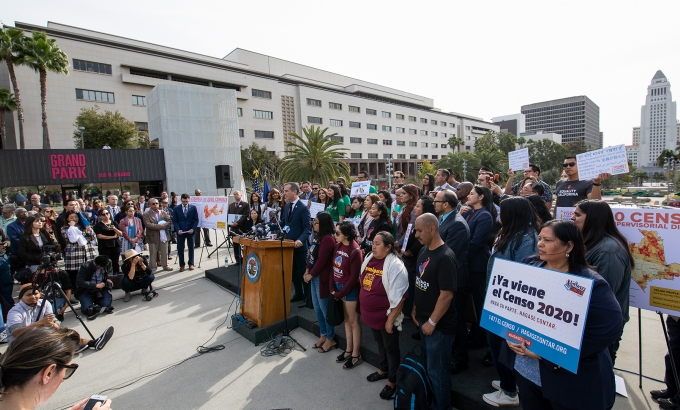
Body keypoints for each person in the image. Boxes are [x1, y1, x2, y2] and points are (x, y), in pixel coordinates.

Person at [499, 220, 623, 410]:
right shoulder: (529, 265)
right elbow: (512, 308)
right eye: (540, 238)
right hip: (526, 373)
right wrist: (509, 333)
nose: (539, 244)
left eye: (547, 240)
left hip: (569, 383)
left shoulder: (590, 284)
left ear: (569, 245)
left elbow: (608, 330)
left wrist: (548, 355)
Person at [482, 196, 538, 407]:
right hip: (496, 299)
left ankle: (509, 392)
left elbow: (524, 275)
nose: (498, 215)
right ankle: (508, 381)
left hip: (509, 305)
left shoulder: (526, 239)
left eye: (502, 212)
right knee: (496, 343)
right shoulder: (508, 233)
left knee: (501, 344)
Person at [571, 199, 633, 365]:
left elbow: (603, 295)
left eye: (577, 214)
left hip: (599, 327)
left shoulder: (608, 251)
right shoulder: (591, 242)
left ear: (593, 218)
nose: (572, 217)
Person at [412, 213, 458, 410]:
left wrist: (432, 322)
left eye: (419, 230)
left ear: (432, 229)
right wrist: (415, 307)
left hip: (438, 327)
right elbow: (421, 282)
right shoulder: (424, 251)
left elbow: (446, 295)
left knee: (437, 373)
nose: (415, 234)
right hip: (423, 321)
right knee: (428, 369)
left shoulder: (446, 257)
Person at [359, 232, 408, 400]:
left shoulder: (395, 265)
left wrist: (390, 320)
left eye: (378, 244)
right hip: (371, 314)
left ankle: (392, 382)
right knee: (380, 343)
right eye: (373, 242)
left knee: (391, 348)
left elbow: (401, 297)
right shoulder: (369, 258)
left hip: (386, 317)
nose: (373, 246)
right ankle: (383, 369)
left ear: (388, 247)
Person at [433, 190, 470, 372]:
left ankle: (460, 358)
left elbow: (449, 253)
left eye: (437, 201)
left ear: (446, 204)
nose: (434, 203)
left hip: (455, 278)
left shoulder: (457, 224)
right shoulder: (444, 219)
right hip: (445, 276)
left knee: (457, 319)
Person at [464, 185, 496, 349]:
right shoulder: (470, 212)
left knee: (478, 301)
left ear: (481, 197)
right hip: (470, 262)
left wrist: (463, 258)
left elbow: (476, 242)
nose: (468, 196)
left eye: (471, 194)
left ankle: (480, 337)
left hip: (477, 263)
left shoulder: (485, 216)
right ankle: (474, 333)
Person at [331, 221, 364, 369]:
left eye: (337, 233)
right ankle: (348, 349)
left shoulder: (355, 250)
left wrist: (341, 293)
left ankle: (356, 354)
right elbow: (333, 266)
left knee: (353, 321)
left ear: (346, 234)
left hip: (349, 289)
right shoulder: (338, 245)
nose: (335, 235)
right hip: (339, 288)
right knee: (346, 320)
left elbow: (354, 278)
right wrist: (333, 288)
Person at [302, 212, 337, 353]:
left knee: (324, 309)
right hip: (313, 275)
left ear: (323, 224)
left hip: (321, 278)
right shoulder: (318, 237)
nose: (313, 224)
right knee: (317, 308)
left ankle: (330, 337)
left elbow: (322, 261)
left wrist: (310, 275)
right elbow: (311, 255)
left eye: (316, 222)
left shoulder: (328, 239)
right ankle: (323, 334)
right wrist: (306, 270)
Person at [281, 183, 312, 305]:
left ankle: (308, 298)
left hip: (300, 247)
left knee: (303, 272)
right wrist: (269, 227)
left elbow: (307, 228)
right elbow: (284, 223)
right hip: (288, 246)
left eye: (286, 191)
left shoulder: (303, 208)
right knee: (293, 272)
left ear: (294, 192)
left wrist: (300, 240)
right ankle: (299, 293)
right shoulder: (287, 205)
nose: (284, 193)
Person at [61, 210, 97, 293]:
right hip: (74, 254)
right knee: (75, 273)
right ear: (67, 219)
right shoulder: (65, 228)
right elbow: (72, 239)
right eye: (71, 217)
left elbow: (92, 238)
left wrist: (89, 230)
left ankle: (90, 288)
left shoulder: (83, 226)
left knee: (89, 271)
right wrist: (72, 227)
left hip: (87, 251)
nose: (74, 219)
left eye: (76, 217)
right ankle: (78, 290)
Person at [75, 255, 114, 320]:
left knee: (106, 304)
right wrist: (95, 285)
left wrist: (108, 279)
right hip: (87, 289)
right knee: (86, 310)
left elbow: (110, 272)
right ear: (98, 265)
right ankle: (95, 307)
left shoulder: (108, 262)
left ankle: (97, 306)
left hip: (101, 288)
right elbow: (79, 281)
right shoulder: (85, 266)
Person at [144, 199, 173, 272]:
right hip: (153, 236)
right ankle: (153, 267)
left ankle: (165, 265)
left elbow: (169, 221)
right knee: (153, 252)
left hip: (163, 236)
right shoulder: (146, 214)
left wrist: (165, 226)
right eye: (153, 204)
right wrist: (160, 227)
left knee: (164, 251)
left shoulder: (163, 212)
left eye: (156, 203)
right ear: (149, 205)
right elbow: (148, 224)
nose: (155, 205)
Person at [173, 193, 199, 272]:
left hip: (190, 231)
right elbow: (175, 220)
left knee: (191, 247)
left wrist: (193, 229)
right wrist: (178, 229)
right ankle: (182, 265)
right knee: (180, 248)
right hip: (181, 231)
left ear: (189, 200)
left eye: (186, 201)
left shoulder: (193, 208)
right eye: (183, 201)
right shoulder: (176, 208)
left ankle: (191, 263)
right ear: (181, 200)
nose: (185, 203)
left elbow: (196, 220)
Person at [93, 209, 122, 274]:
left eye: (107, 213)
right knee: (106, 261)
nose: (106, 215)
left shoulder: (114, 223)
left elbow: (120, 233)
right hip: (104, 246)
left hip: (115, 244)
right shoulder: (98, 225)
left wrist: (114, 229)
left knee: (115, 261)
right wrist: (112, 237)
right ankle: (107, 275)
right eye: (103, 214)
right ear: (100, 216)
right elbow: (100, 236)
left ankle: (116, 274)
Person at [395, 184, 418, 249]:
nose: (401, 195)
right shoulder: (404, 208)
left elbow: (410, 229)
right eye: (401, 193)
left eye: (404, 193)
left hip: (407, 245)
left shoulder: (414, 209)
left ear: (411, 196)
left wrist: (400, 242)